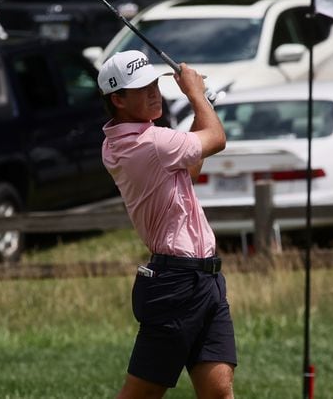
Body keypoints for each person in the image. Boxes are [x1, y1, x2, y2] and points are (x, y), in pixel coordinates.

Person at [98, 50, 235, 398]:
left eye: (154, 85)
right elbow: (216, 140)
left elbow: (191, 165)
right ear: (118, 99)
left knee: (219, 390)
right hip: (176, 285)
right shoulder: (149, 142)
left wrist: (201, 108)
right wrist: (197, 96)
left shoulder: (135, 140)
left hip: (204, 279)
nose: (153, 93)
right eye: (141, 88)